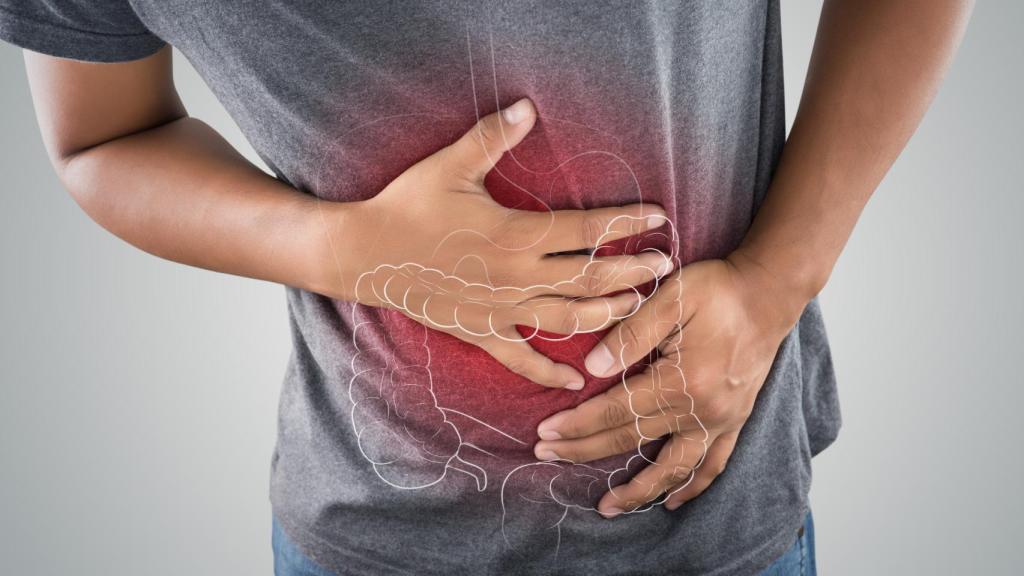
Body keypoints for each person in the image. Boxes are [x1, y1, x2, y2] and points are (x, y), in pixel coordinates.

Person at [0, 1, 971, 574]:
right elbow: (102, 139)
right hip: (369, 533)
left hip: (712, 530)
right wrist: (346, 249)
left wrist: (775, 279)